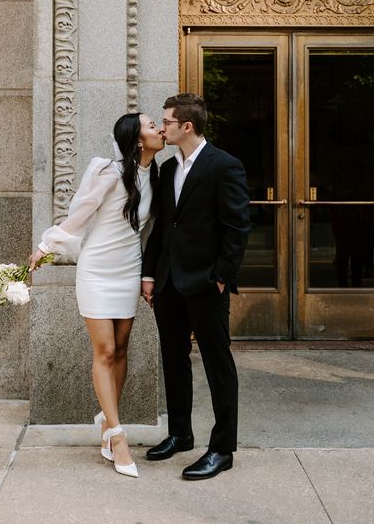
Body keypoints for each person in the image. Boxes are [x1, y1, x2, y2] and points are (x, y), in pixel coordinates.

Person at [29, 113, 164, 478]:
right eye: (152, 126)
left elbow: (149, 231)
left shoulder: (156, 175)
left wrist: (146, 274)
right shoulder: (110, 171)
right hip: (97, 270)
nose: (159, 130)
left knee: (121, 348)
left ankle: (107, 424)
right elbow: (82, 212)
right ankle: (118, 437)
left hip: (127, 270)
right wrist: (47, 245)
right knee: (104, 350)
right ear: (137, 140)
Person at [141, 93, 250, 481]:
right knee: (173, 360)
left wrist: (221, 276)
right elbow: (162, 227)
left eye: (167, 121)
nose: (162, 127)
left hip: (206, 284)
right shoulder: (168, 169)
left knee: (218, 365)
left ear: (186, 126)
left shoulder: (225, 166)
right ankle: (180, 433)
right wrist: (150, 274)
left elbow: (237, 227)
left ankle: (222, 449)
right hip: (170, 283)